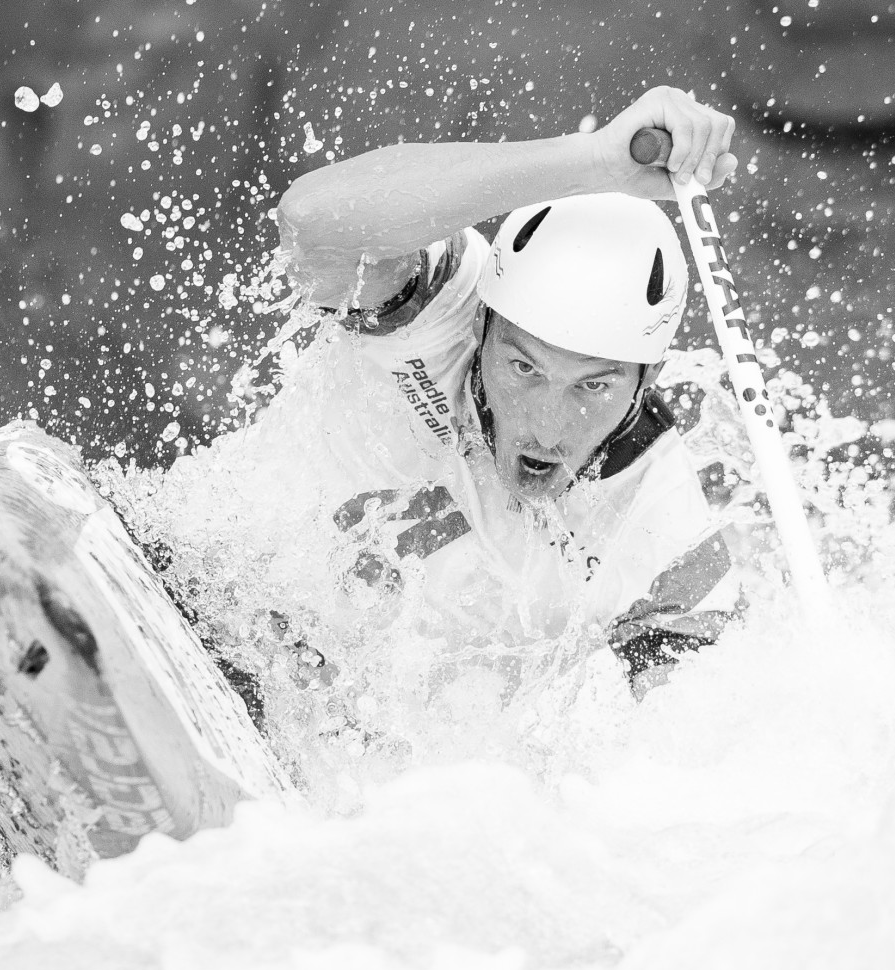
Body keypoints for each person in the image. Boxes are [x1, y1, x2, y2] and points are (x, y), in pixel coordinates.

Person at [250, 86, 744, 696]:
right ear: (481, 329)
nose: (546, 423)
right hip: (225, 587)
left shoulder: (669, 539)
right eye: (523, 367)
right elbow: (313, 223)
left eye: (592, 385)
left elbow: (686, 757)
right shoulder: (441, 307)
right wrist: (592, 161)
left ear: (648, 383)